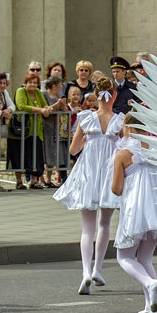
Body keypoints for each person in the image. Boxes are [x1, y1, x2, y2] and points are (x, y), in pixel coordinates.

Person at [53, 77, 124, 293]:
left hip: (89, 173)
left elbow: (73, 150)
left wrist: (87, 142)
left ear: (96, 95)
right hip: (109, 173)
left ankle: (85, 272)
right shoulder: (119, 121)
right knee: (105, 224)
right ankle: (97, 269)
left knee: (87, 228)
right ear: (114, 95)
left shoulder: (86, 118)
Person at [110, 113, 157, 313]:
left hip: (135, 210)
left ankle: (150, 284)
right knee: (146, 257)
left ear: (128, 129)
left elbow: (116, 188)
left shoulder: (123, 154)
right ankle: (150, 306)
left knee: (125, 256)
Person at [14, 73, 49, 189]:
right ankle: (20, 181)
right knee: (23, 154)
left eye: (35, 82)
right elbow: (21, 106)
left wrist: (48, 108)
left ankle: (34, 180)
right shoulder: (21, 91)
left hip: (37, 129)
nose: (33, 85)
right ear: (25, 83)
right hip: (24, 129)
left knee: (36, 154)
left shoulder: (38, 93)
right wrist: (40, 110)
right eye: (30, 82)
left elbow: (45, 105)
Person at [41, 76, 69, 186]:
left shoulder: (58, 96)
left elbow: (64, 110)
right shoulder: (44, 94)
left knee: (54, 152)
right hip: (46, 126)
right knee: (47, 151)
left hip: (57, 128)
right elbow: (46, 109)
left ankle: (49, 177)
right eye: (59, 85)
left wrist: (63, 105)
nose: (61, 87)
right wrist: (57, 104)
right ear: (54, 86)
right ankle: (45, 178)